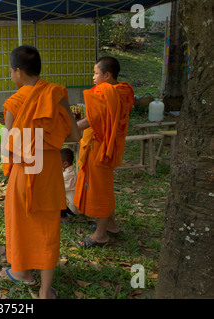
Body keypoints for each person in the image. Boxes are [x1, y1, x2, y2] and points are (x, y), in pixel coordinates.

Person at [0, 45, 80, 299]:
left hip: (24, 171)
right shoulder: (57, 94)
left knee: (21, 222)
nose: (12, 76)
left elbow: (9, 147)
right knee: (47, 226)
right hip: (50, 171)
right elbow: (75, 135)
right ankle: (46, 291)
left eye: (11, 71)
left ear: (19, 72)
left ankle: (22, 272)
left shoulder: (13, 102)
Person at [73, 56, 134, 248]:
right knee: (105, 186)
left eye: (96, 73)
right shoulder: (122, 91)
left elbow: (92, 120)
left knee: (100, 189)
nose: (93, 77)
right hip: (109, 145)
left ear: (107, 75)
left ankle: (100, 235)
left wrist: (70, 129)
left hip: (100, 147)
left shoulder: (107, 94)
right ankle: (111, 225)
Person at [60, 148, 79, 223]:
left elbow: (59, 188)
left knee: (55, 195)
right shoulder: (69, 171)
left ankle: (64, 217)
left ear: (65, 164)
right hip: (72, 206)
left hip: (72, 209)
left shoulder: (67, 175)